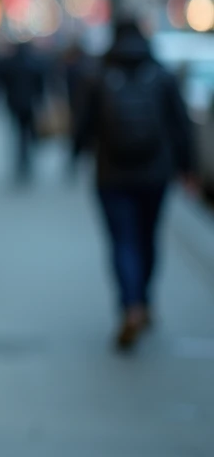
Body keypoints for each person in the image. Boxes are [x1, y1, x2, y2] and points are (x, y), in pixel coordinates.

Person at [72, 18, 193, 351]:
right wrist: (187, 168)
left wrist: (73, 157)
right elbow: (180, 126)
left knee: (122, 241)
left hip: (111, 174)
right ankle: (145, 300)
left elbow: (83, 125)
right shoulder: (162, 76)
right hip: (155, 174)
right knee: (148, 238)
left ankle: (130, 305)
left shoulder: (98, 76)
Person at [0, 41, 47, 183]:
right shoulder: (34, 64)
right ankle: (26, 160)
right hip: (29, 104)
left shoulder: (10, 64)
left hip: (15, 104)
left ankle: (22, 161)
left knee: (19, 133)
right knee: (27, 133)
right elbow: (40, 84)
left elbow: (2, 80)